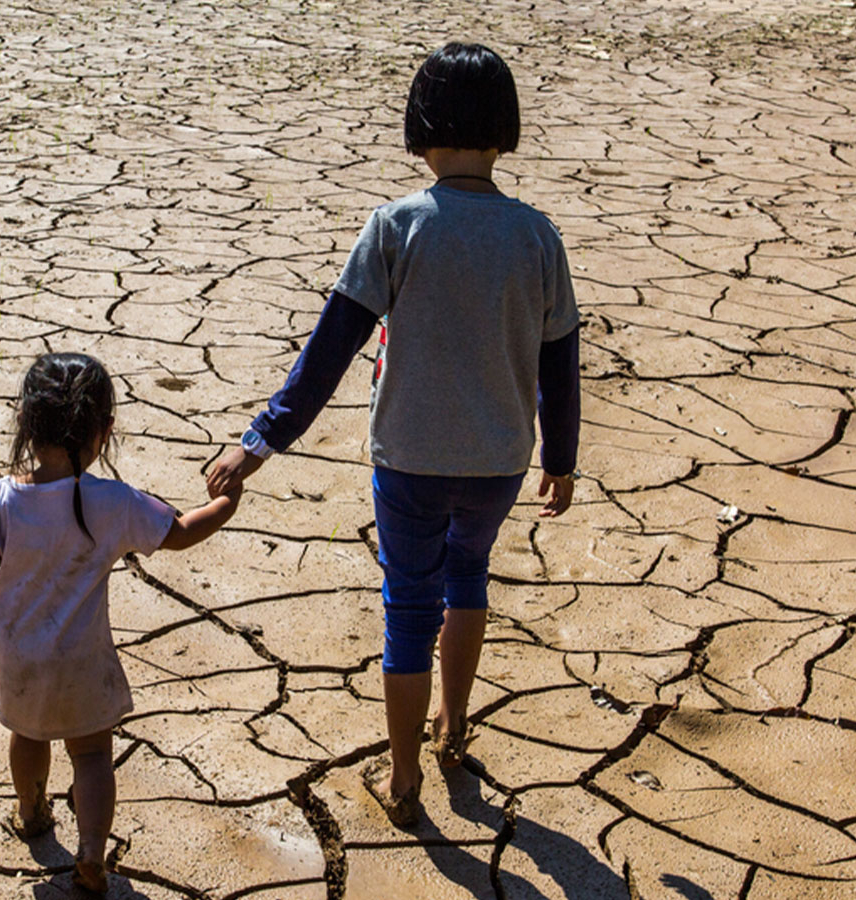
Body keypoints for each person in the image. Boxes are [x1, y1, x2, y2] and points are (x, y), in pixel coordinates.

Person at [206, 42, 581, 827]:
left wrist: (260, 442)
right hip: (499, 462)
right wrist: (562, 458)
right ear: (504, 133)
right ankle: (455, 725)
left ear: (419, 128)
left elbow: (331, 348)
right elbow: (560, 362)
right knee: (469, 576)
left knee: (409, 605)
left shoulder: (398, 225)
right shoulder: (537, 236)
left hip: (409, 461)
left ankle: (404, 772)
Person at [0, 352, 241, 893]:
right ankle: (91, 853)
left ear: (26, 425)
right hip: (84, 664)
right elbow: (179, 532)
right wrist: (225, 504)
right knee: (94, 755)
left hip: (21, 660)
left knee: (27, 738)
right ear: (104, 430)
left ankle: (31, 814)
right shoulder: (113, 501)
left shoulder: (2, 499)